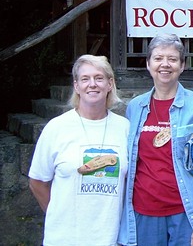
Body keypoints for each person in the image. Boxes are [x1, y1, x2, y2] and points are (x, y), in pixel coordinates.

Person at [118, 33, 193, 246]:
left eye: (172, 59)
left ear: (182, 65)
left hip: (185, 212)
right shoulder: (135, 108)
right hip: (143, 211)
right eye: (158, 58)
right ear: (148, 64)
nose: (164, 64)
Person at [28, 54, 129, 246]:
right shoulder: (57, 128)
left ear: (110, 84)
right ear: (76, 86)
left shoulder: (124, 128)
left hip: (110, 239)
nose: (92, 84)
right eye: (85, 79)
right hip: (64, 239)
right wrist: (59, 217)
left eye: (99, 78)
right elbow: (37, 182)